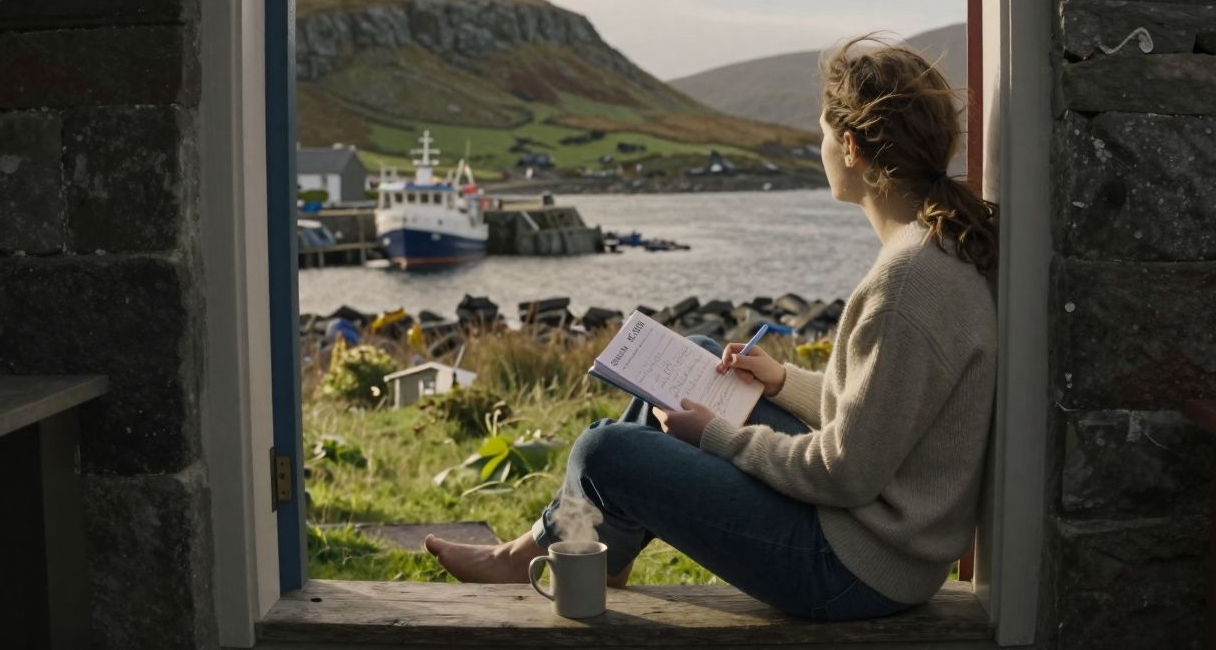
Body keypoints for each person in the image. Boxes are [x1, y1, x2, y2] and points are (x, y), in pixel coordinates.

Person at [425, 34, 999, 621]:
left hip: (855, 568)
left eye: (824, 133)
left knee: (604, 452)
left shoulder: (905, 283)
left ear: (850, 147)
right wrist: (781, 382)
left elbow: (845, 472)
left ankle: (555, 551)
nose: (821, 146)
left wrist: (715, 436)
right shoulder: (932, 249)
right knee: (697, 357)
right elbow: (882, 417)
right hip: (873, 539)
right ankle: (588, 549)